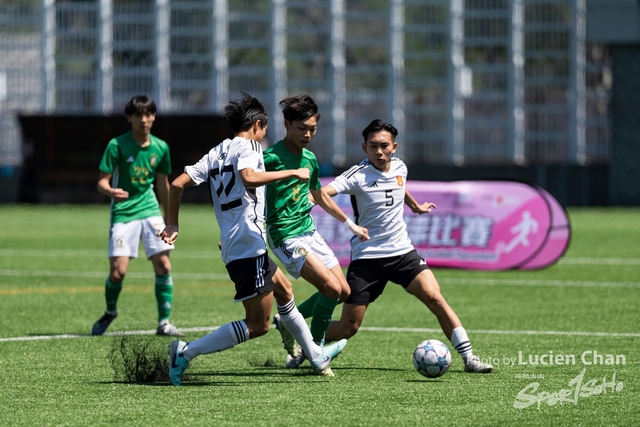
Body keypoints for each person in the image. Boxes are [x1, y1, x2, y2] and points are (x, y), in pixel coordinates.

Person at [160, 92, 347, 386]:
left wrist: (172, 223)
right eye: (265, 129)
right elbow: (248, 177)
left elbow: (176, 184)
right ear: (258, 125)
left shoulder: (217, 151)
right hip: (247, 243)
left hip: (242, 242)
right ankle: (186, 352)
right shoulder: (250, 146)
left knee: (284, 291)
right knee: (257, 325)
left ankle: (316, 356)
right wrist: (291, 173)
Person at [322, 119, 493, 374]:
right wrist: (349, 224)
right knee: (349, 328)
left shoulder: (400, 167)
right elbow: (323, 194)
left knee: (435, 297)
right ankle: (304, 339)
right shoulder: (357, 175)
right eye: (372, 146)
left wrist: (415, 206)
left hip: (403, 253)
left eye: (384, 146)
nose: (378, 152)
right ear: (364, 147)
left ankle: (469, 358)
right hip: (368, 258)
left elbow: (400, 186)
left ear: (394, 146)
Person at [263, 94, 369, 374]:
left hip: (309, 231)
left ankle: (286, 322)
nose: (308, 134)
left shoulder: (309, 158)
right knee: (331, 289)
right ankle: (317, 351)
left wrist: (350, 224)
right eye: (301, 128)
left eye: (312, 128)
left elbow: (319, 195)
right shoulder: (270, 158)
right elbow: (247, 186)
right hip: (286, 235)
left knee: (343, 291)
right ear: (286, 125)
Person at [91, 95, 182, 337]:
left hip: (150, 211)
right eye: (138, 115)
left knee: (163, 264)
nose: (144, 120)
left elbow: (163, 185)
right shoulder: (116, 145)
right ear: (129, 118)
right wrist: (110, 191)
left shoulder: (161, 148)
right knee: (118, 272)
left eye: (148, 114)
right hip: (123, 213)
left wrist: (168, 221)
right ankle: (110, 310)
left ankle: (164, 322)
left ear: (154, 117)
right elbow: (101, 181)